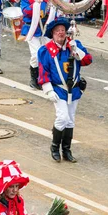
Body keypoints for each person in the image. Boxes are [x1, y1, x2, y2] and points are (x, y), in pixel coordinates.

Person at [38, 18, 92, 163]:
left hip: (74, 89)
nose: (60, 33)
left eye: (62, 30)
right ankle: (55, 147)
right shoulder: (45, 50)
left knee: (70, 120)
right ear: (53, 34)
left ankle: (67, 150)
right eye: (57, 31)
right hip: (58, 89)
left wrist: (76, 50)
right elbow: (43, 71)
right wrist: (48, 89)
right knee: (62, 117)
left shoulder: (73, 45)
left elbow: (87, 60)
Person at [20, 0, 49, 90]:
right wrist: (35, 4)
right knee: (36, 54)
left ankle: (45, 78)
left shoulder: (45, 0)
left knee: (47, 54)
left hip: (44, 30)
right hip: (31, 30)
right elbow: (25, 12)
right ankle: (34, 79)